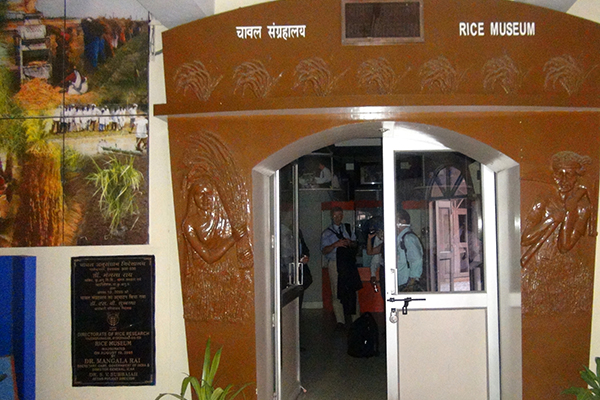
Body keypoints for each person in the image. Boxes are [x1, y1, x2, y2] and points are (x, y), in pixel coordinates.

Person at [321, 206, 361, 330]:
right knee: (336, 291)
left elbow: (356, 244)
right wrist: (335, 245)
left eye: (340, 215)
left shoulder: (348, 228)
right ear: (332, 216)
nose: (338, 218)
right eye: (336, 215)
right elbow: (324, 250)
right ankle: (340, 321)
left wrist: (349, 242)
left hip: (348, 263)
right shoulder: (327, 233)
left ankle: (356, 319)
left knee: (352, 289)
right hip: (334, 263)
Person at [396, 209, 424, 292]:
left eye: (396, 220)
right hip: (401, 282)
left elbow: (417, 260)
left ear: (403, 221)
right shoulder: (400, 238)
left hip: (405, 283)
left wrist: (411, 283)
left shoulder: (408, 238)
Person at [367, 225, 385, 302]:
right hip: (384, 270)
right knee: (385, 294)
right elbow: (370, 252)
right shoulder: (382, 243)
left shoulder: (398, 239)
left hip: (399, 270)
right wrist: (369, 239)